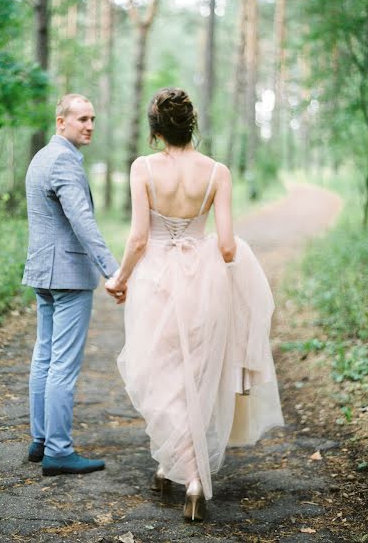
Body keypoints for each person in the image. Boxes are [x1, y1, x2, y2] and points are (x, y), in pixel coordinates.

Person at [105, 87, 284, 521]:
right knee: (194, 374)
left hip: (154, 281)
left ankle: (189, 475)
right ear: (192, 126)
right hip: (203, 282)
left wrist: (120, 278)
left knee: (158, 372)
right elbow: (225, 248)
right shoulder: (217, 172)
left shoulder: (143, 168)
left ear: (155, 132)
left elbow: (139, 237)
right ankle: (179, 470)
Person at [22, 93, 125, 476]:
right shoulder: (64, 160)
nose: (90, 125)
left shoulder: (41, 157)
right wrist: (112, 271)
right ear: (60, 121)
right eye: (82, 118)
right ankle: (59, 451)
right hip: (67, 277)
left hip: (43, 273)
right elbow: (83, 222)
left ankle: (42, 439)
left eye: (93, 118)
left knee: (45, 357)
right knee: (61, 364)